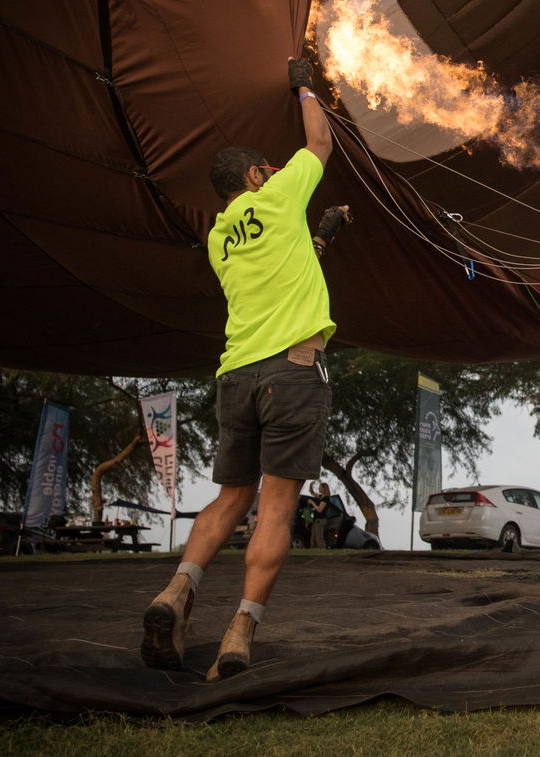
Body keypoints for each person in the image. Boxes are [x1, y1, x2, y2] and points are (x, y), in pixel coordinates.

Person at [141, 57, 342, 680]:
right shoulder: (280, 191)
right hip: (292, 369)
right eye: (270, 169)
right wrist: (304, 84)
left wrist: (322, 243)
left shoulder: (218, 236)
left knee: (232, 496)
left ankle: (176, 592)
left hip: (236, 376)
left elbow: (276, 270)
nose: (280, 172)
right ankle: (240, 630)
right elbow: (319, 141)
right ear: (257, 175)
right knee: (277, 507)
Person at [310, 482, 331, 549]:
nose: (319, 488)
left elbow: (319, 509)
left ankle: (322, 552)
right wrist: (311, 485)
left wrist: (312, 503)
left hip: (320, 520)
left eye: (320, 487)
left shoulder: (326, 498)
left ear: (324, 488)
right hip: (316, 520)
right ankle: (313, 552)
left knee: (319, 538)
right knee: (313, 538)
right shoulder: (321, 496)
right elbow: (312, 493)